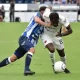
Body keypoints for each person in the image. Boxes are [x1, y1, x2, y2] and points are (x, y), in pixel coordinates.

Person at [0, 6, 51, 76]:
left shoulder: (44, 23)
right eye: (45, 12)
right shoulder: (37, 15)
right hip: (25, 38)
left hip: (29, 42)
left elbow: (46, 32)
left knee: (13, 58)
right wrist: (47, 24)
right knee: (32, 50)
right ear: (42, 11)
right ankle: (26, 69)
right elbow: (37, 20)